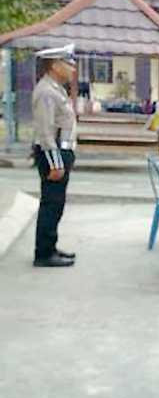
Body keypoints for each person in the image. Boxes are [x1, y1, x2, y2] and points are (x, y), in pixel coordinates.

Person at [29, 44, 79, 268]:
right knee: (51, 203)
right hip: (53, 154)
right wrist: (56, 164)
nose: (73, 69)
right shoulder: (46, 92)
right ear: (55, 65)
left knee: (56, 204)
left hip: (60, 152)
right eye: (69, 64)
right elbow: (46, 132)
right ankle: (44, 253)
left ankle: (50, 247)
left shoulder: (56, 88)